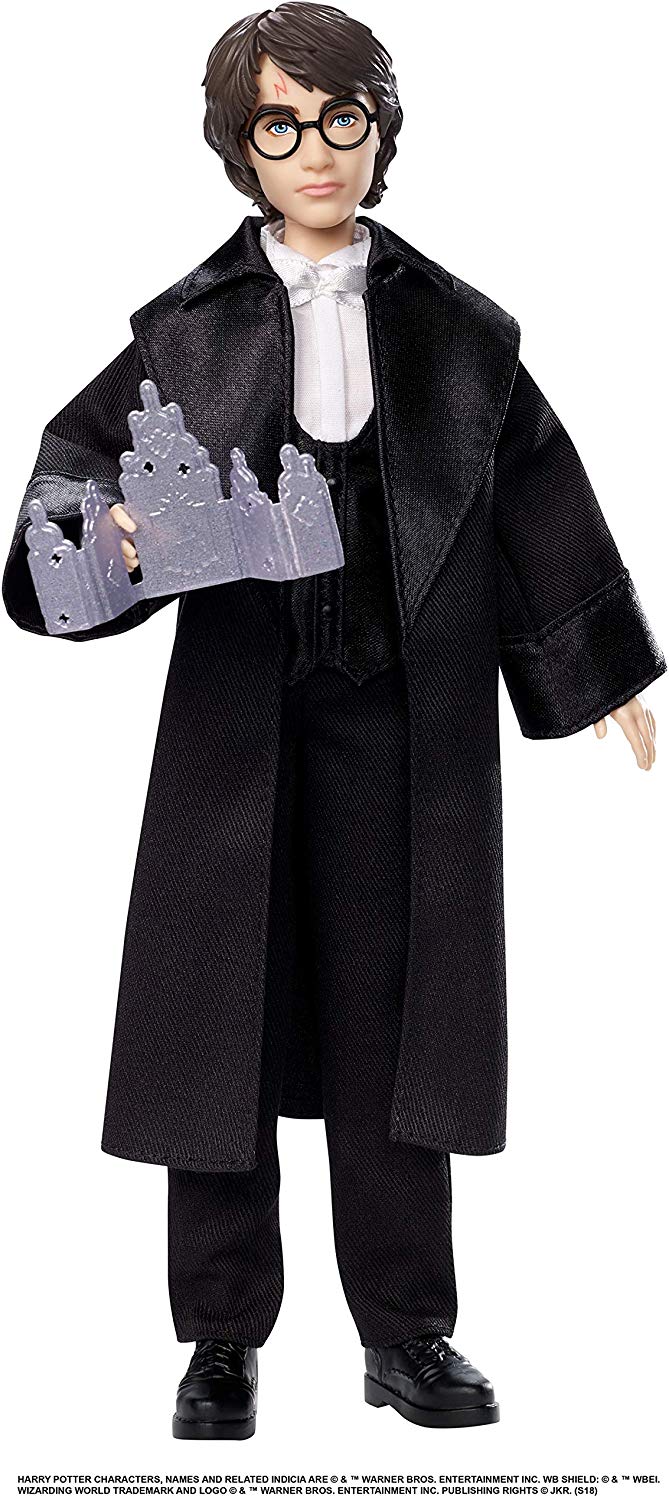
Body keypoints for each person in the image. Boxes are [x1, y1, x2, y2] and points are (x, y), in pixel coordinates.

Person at [3, 2, 664, 1440]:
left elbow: (535, 486)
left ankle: (406, 1329)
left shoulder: (459, 333)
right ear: (240, 148)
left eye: (340, 119)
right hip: (240, 718)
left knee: (399, 1014)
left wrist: (598, 659)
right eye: (280, 125)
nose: (315, 150)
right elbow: (70, 481)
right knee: (216, 1017)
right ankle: (220, 1336)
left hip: (406, 720)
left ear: (379, 131)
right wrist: (107, 530)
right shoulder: (185, 332)